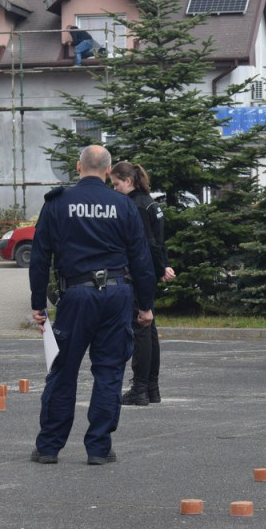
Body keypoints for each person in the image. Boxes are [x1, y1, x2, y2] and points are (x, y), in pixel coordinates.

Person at [28, 145, 156, 465]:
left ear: (78, 166)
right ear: (109, 171)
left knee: (63, 371)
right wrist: (145, 306)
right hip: (116, 295)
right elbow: (141, 259)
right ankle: (99, 447)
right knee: (109, 372)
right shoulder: (123, 205)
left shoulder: (58, 203)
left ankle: (49, 448)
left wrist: (38, 305)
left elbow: (40, 257)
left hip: (76, 296)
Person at [110, 161, 176, 406]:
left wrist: (157, 267)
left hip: (138, 273)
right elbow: (159, 242)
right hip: (149, 272)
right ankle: (151, 388)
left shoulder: (134, 205)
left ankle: (139, 389)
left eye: (116, 184)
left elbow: (146, 243)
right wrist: (162, 266)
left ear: (129, 180)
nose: (115, 189)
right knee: (149, 331)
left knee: (140, 330)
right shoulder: (150, 202)